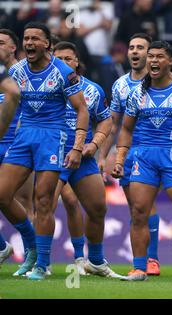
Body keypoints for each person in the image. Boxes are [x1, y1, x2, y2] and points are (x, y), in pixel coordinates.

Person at [112, 40, 172, 281]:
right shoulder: (137, 93)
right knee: (139, 213)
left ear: (171, 61)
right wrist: (120, 157)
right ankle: (139, 267)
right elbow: (125, 129)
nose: (153, 60)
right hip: (144, 157)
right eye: (151, 56)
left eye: (159, 57)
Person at [1, 22, 89, 280]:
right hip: (23, 134)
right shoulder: (16, 71)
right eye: (26, 39)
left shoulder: (62, 71)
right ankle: (30, 244)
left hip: (52, 137)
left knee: (43, 201)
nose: (29, 43)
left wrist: (77, 146)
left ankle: (42, 263)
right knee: (2, 194)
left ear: (47, 44)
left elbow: (82, 109)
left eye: (35, 39)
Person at [52, 41, 122, 278]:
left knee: (97, 207)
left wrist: (94, 144)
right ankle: (41, 262)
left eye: (68, 59)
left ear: (76, 62)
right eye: (58, 58)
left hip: (83, 157)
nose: (63, 63)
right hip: (53, 154)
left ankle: (94, 261)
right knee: (47, 206)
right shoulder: (45, 86)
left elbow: (106, 120)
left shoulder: (93, 90)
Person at [99, 33, 162, 276]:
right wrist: (105, 156)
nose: (135, 52)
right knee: (136, 208)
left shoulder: (162, 82)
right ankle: (143, 260)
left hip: (156, 150)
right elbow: (112, 124)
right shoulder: (120, 85)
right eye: (131, 47)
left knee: (147, 205)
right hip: (128, 153)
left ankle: (152, 260)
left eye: (140, 48)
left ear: (151, 53)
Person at [0, 43, 22, 268]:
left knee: (25, 200)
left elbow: (16, 95)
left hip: (16, 145)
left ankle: (37, 258)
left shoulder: (24, 72)